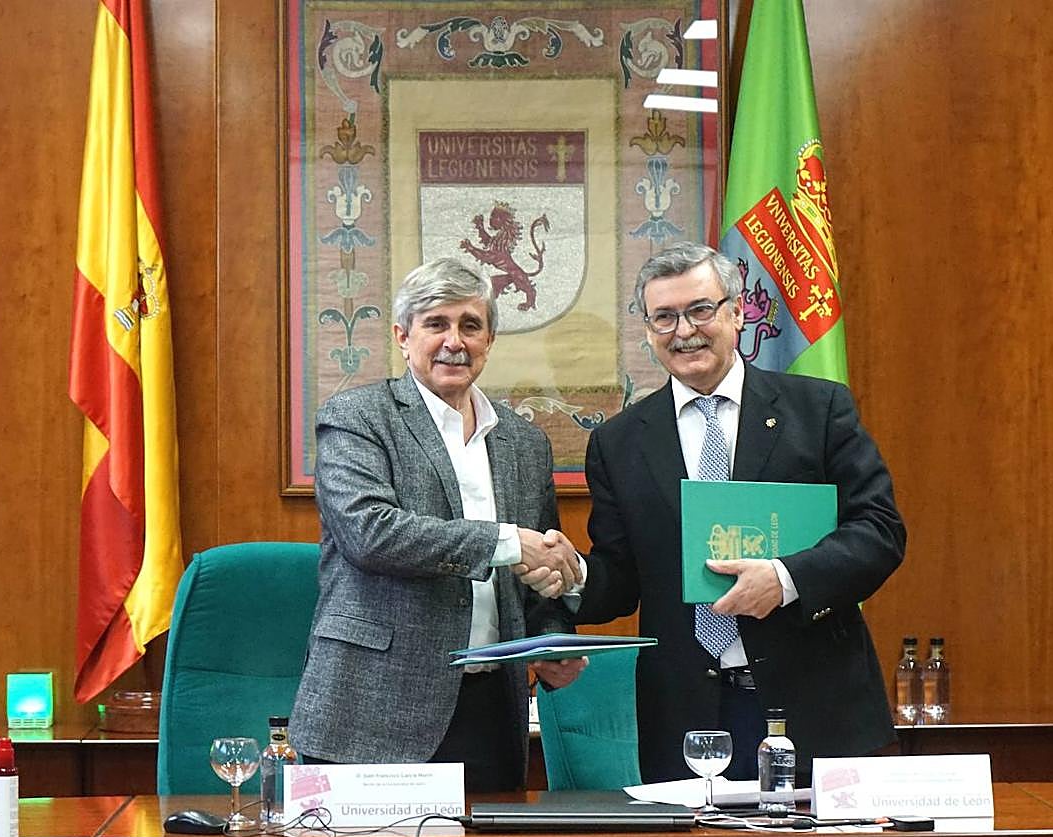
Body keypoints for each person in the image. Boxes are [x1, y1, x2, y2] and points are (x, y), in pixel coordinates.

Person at [564, 241, 906, 783]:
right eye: (664, 317)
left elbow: (879, 532)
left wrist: (785, 579)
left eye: (701, 310)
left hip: (815, 706)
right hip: (688, 717)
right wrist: (573, 575)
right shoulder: (619, 442)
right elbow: (622, 579)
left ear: (738, 312)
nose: (685, 331)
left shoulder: (818, 410)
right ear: (648, 331)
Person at [290, 257, 585, 792]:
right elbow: (370, 533)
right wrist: (505, 542)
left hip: (492, 713)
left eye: (470, 325)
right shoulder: (357, 417)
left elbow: (535, 573)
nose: (455, 341)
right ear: (403, 337)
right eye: (436, 324)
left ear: (489, 339)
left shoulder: (524, 442)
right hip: (372, 708)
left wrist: (552, 642)